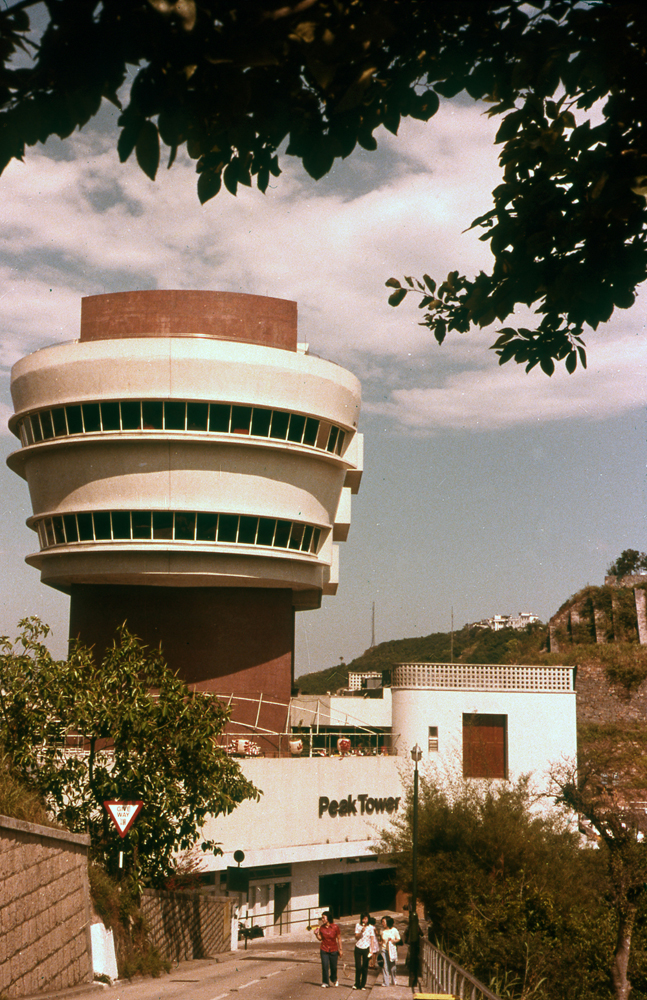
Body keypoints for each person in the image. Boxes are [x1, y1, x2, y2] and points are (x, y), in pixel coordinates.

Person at [314, 911, 343, 988]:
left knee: (333, 967)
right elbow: (320, 939)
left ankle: (334, 979)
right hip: (324, 949)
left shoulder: (335, 927)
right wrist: (316, 934)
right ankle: (325, 982)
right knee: (325, 966)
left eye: (324, 917)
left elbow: (339, 938)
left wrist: (340, 949)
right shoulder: (321, 928)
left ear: (328, 918)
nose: (322, 919)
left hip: (334, 949)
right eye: (322, 917)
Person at [353, 912, 377, 989]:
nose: (364, 920)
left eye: (366, 919)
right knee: (358, 966)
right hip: (358, 947)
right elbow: (356, 937)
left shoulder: (370, 927)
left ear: (368, 919)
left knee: (365, 967)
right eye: (363, 918)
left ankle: (363, 985)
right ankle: (357, 983)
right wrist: (361, 931)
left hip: (366, 948)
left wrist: (371, 951)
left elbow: (372, 939)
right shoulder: (358, 925)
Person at [380, 916, 401, 987]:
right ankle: (386, 982)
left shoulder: (394, 930)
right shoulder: (382, 931)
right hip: (384, 950)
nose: (382, 923)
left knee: (392, 967)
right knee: (384, 966)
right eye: (382, 922)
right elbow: (381, 940)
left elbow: (398, 939)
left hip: (391, 950)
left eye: (384, 922)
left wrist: (393, 941)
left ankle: (393, 979)